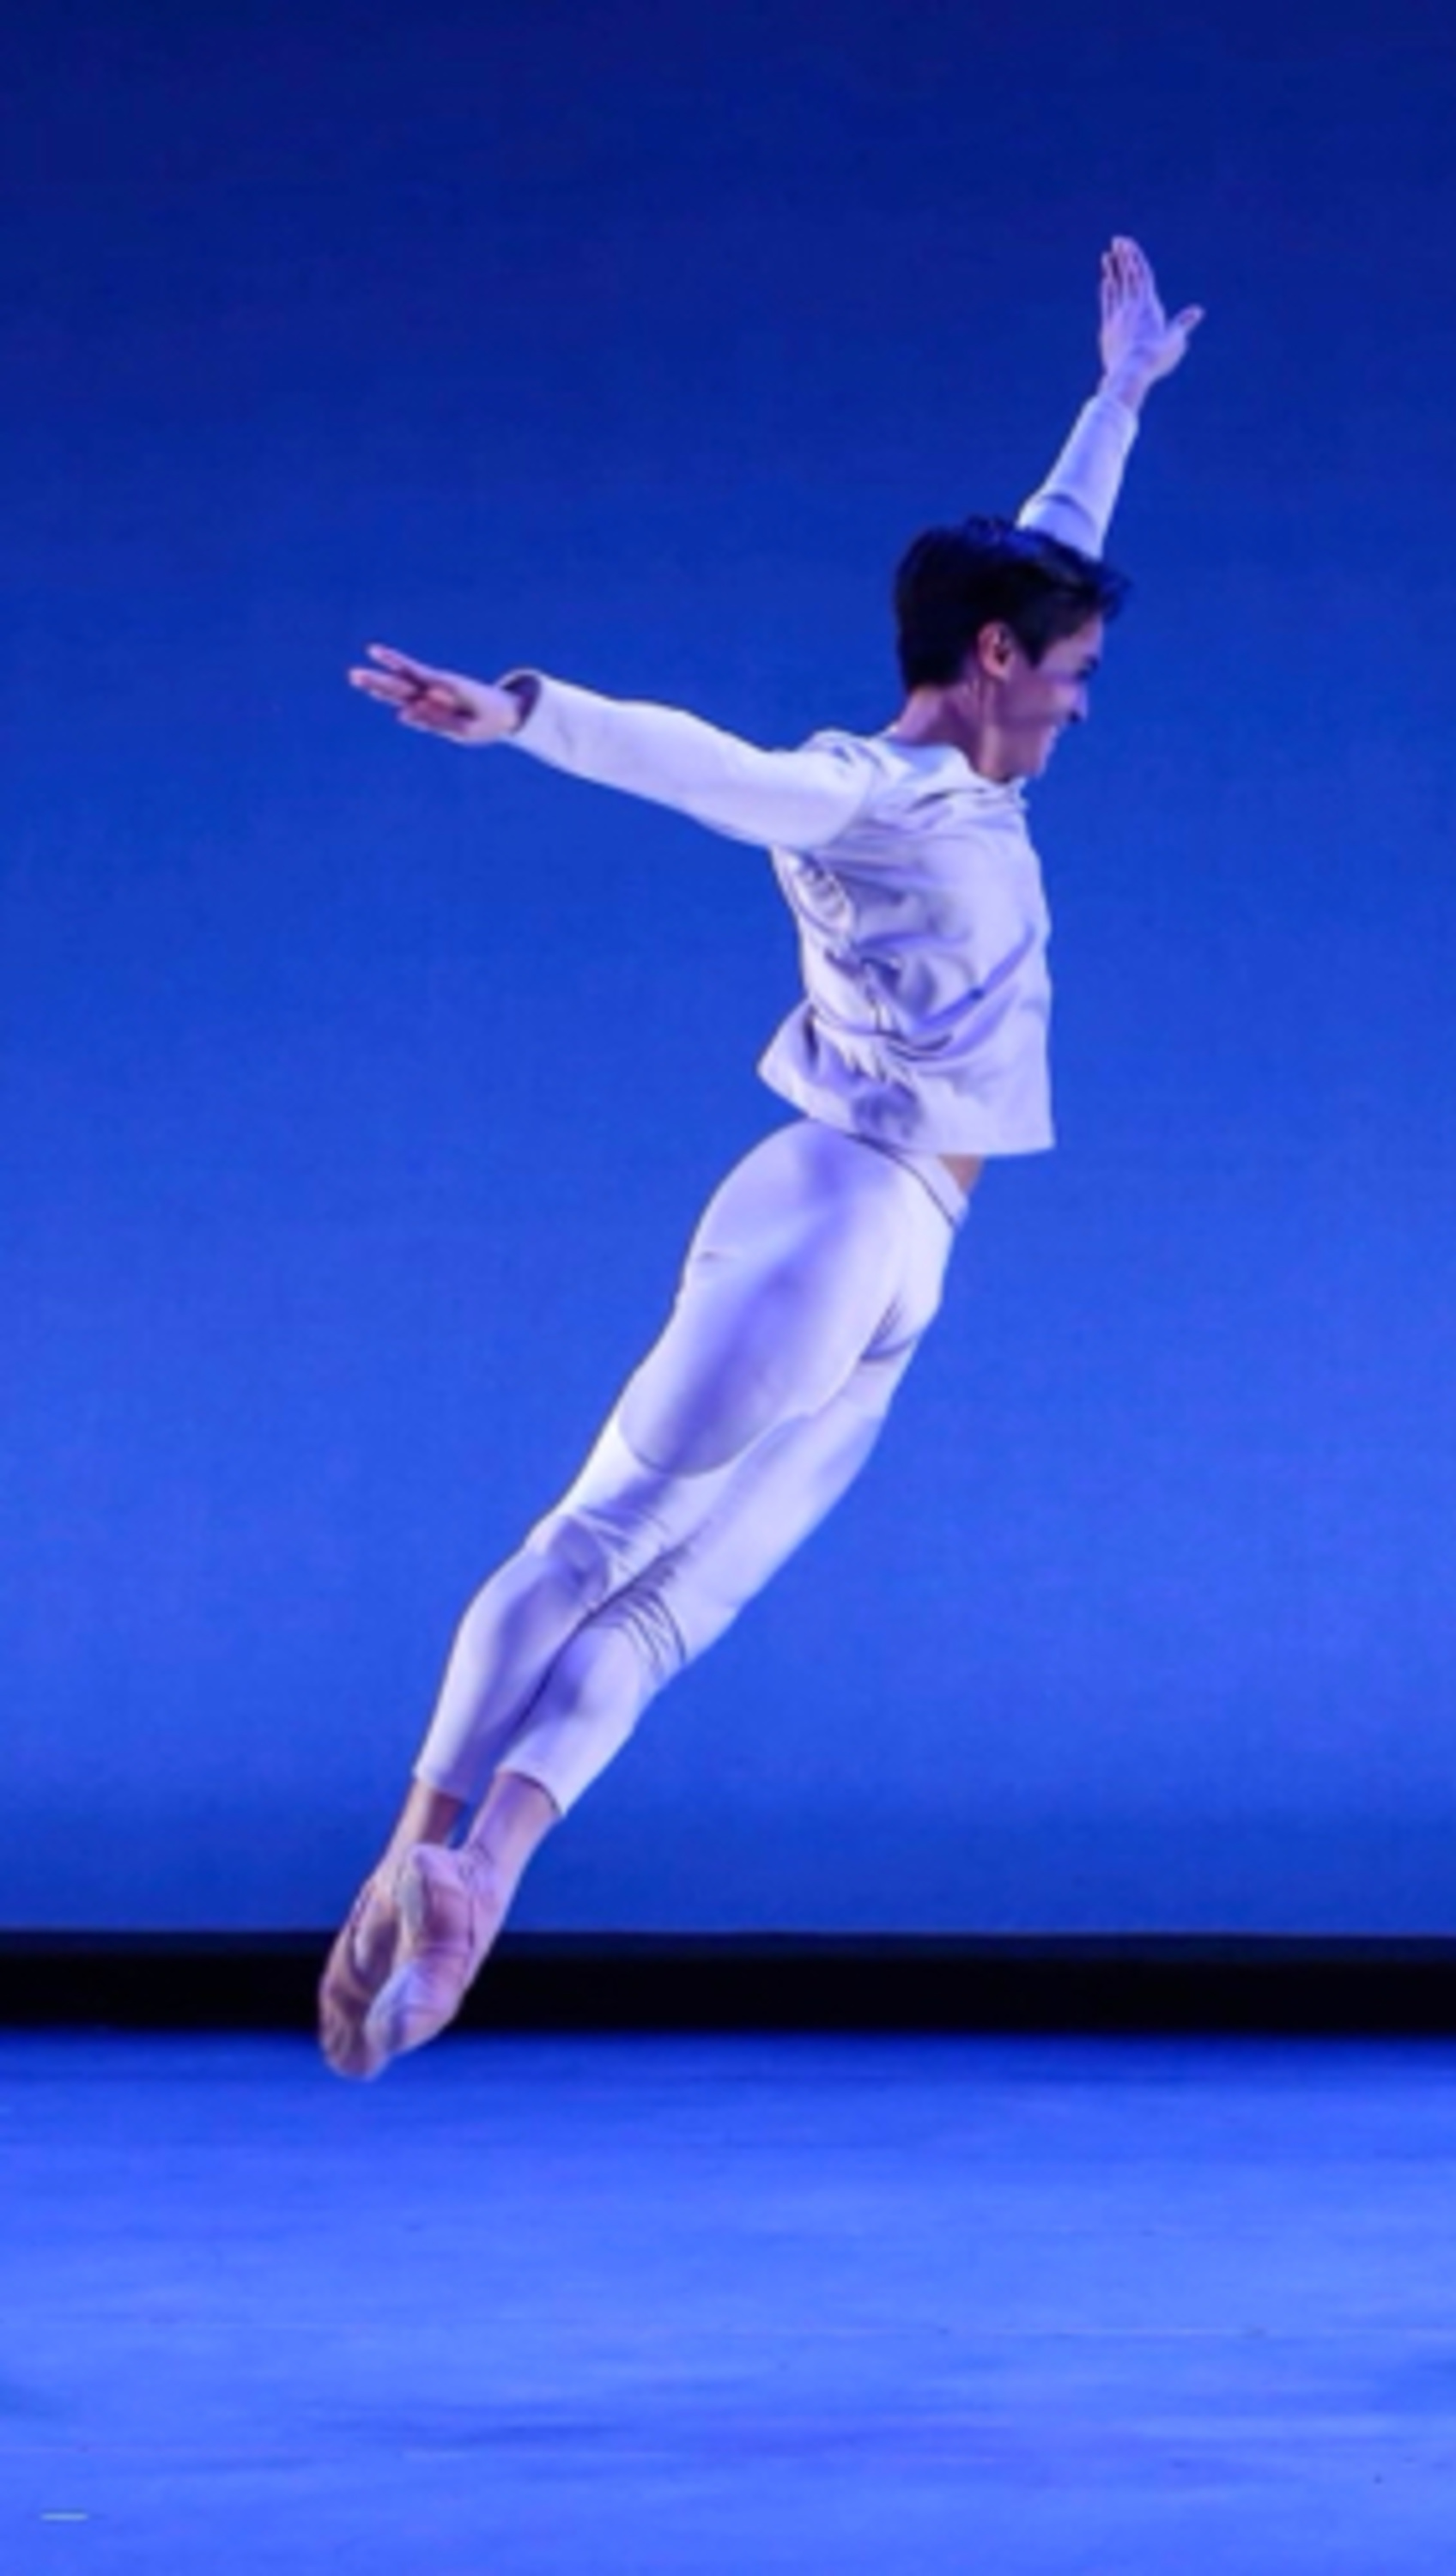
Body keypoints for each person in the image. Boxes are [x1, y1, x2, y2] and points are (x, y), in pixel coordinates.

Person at [319, 239, 1203, 2081]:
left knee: (679, 1602)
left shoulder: (974, 772)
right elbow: (714, 770)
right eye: (1073, 674)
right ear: (990, 663)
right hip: (832, 1214)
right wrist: (526, 716)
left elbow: (1046, 546)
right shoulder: (872, 794)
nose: (1083, 702)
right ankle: (406, 1851)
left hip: (912, 1252)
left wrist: (1115, 402)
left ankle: (484, 1877)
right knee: (598, 1543)